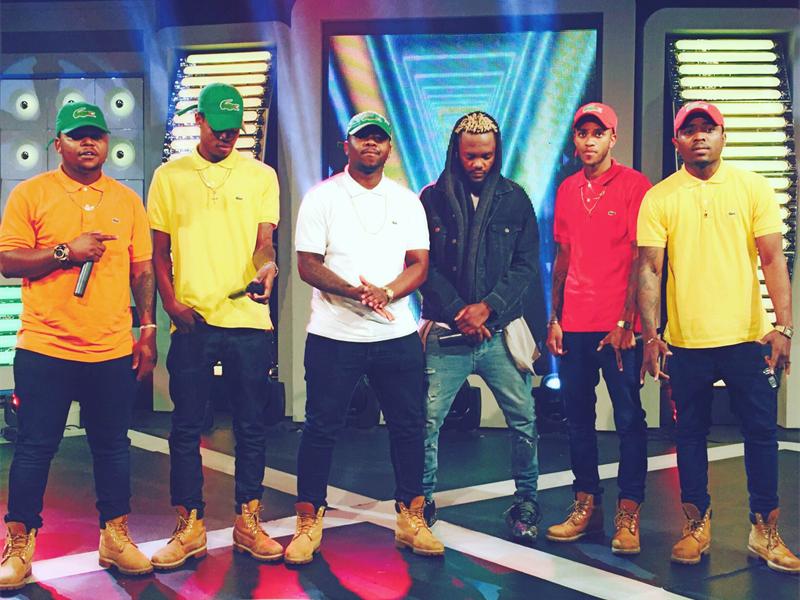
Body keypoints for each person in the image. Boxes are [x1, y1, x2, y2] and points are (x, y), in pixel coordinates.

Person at [0, 102, 156, 590]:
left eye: (96, 135)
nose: (88, 143)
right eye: (77, 135)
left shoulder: (127, 201)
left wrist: (147, 329)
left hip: (110, 349)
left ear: (107, 143)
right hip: (45, 347)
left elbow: (142, 270)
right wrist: (67, 251)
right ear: (58, 144)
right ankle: (20, 546)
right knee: (34, 448)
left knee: (113, 447)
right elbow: (8, 261)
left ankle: (115, 536)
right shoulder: (32, 193)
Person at [638, 101, 798, 573]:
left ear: (723, 136)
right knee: (689, 435)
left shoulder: (752, 187)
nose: (700, 136)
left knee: (762, 434)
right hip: (687, 342)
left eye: (708, 128)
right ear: (677, 142)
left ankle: (764, 530)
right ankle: (696, 525)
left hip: (748, 338)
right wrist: (651, 336)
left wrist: (784, 326)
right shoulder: (660, 198)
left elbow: (773, 258)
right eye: (690, 130)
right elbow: (649, 269)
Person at [286, 111, 443, 564]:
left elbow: (419, 264)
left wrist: (387, 292)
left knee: (409, 426)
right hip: (334, 333)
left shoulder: (406, 201)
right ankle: (308, 522)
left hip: (395, 333)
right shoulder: (322, 197)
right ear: (347, 145)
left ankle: (411, 518)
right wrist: (354, 292)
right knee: (320, 428)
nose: (370, 144)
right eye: (362, 138)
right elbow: (307, 264)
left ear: (388, 148)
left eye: (378, 138)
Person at [147, 83, 282, 568]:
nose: (227, 137)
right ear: (199, 121)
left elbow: (264, 241)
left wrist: (268, 266)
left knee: (251, 425)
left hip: (247, 318)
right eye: (219, 128)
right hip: (194, 319)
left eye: (234, 130)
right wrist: (170, 304)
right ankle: (190, 526)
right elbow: (158, 252)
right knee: (186, 425)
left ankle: (248, 521)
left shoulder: (261, 175)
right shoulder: (169, 177)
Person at [419, 111, 542, 544]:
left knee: (524, 420)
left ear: (497, 153)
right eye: (470, 156)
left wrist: (486, 309)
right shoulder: (431, 199)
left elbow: (525, 265)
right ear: (456, 152)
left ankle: (526, 501)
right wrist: (460, 312)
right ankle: (421, 501)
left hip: (500, 332)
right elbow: (422, 263)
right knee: (426, 422)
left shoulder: (515, 199)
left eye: (486, 156)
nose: (478, 164)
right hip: (446, 331)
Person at [545, 103, 652, 554]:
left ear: (613, 138)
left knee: (628, 419)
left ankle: (629, 512)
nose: (589, 141)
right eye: (582, 133)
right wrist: (554, 318)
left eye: (598, 133)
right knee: (577, 419)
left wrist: (627, 321)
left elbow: (641, 259)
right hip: (575, 324)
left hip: (619, 327)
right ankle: (586, 504)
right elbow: (563, 258)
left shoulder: (635, 185)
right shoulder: (568, 189)